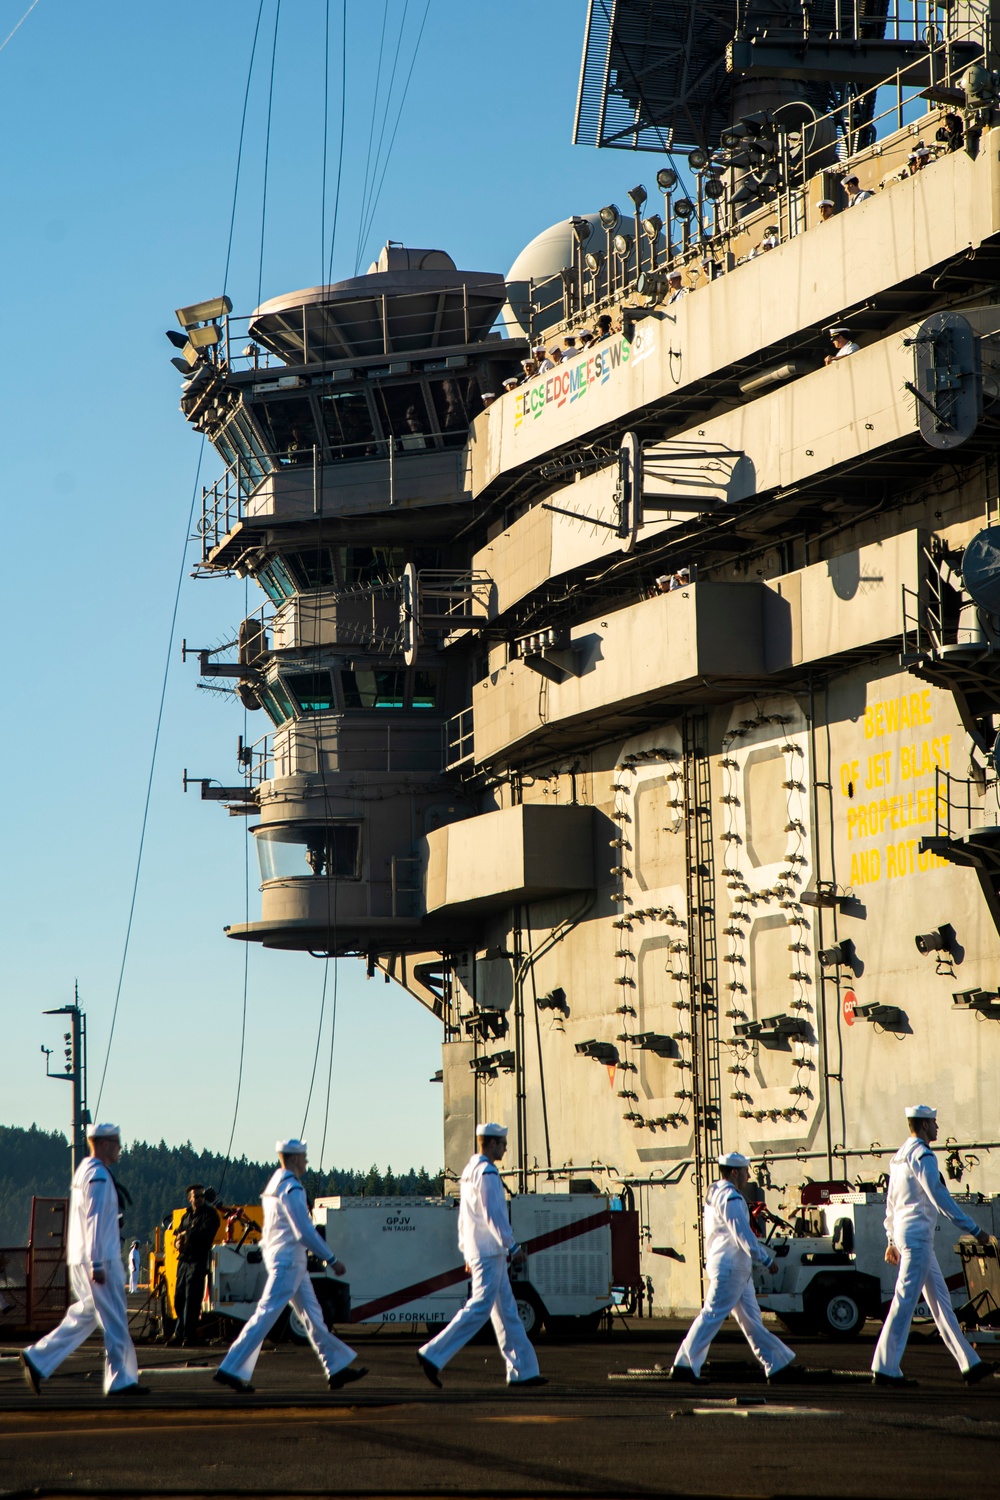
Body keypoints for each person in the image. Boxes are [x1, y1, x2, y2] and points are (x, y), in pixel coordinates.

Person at [214, 1138, 364, 1395]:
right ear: (294, 1159)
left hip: (285, 1259)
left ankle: (336, 1367)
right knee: (266, 1314)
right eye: (304, 1156)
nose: (306, 1161)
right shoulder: (292, 1189)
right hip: (288, 1261)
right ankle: (230, 1367)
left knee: (313, 1317)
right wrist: (331, 1259)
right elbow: (303, 1229)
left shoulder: (274, 1185)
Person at [871, 1105, 996, 1387]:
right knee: (904, 1302)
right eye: (935, 1123)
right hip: (917, 1240)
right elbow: (940, 1197)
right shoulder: (923, 1157)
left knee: (941, 1304)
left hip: (908, 1237)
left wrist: (891, 1239)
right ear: (925, 1125)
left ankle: (970, 1364)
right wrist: (974, 1230)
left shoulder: (899, 1158)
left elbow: (890, 1203)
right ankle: (885, 1367)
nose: (938, 1127)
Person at [20, 1123, 145, 1398]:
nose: (120, 1147)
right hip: (100, 1258)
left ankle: (38, 1358)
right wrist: (98, 1262)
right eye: (116, 1142)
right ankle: (121, 1380)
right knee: (114, 1319)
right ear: (103, 1144)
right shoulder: (98, 1175)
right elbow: (95, 1220)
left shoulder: (85, 1172)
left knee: (86, 1315)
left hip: (82, 1257)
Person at [416, 1123, 544, 1389]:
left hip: (483, 1251)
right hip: (490, 1252)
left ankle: (524, 1371)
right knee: (479, 1308)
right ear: (492, 1144)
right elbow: (493, 1214)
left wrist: (466, 1250)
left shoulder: (469, 1171)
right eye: (502, 1143)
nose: (506, 1147)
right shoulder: (486, 1172)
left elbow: (465, 1217)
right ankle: (432, 1354)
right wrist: (512, 1246)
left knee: (507, 1313)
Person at [668, 1151, 795, 1385]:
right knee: (712, 1314)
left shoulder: (715, 1191)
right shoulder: (732, 1198)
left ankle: (777, 1363)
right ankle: (684, 1364)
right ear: (735, 1172)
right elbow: (742, 1234)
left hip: (736, 1268)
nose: (748, 1175)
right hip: (731, 1267)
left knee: (752, 1320)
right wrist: (766, 1259)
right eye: (745, 1171)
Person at [170, 1185, 221, 1346]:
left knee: (192, 1300)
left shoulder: (210, 1214)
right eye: (196, 1196)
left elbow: (206, 1233)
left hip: (198, 1260)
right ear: (189, 1198)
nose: (199, 1198)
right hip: (184, 1260)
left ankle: (188, 1336)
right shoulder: (186, 1216)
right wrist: (178, 1241)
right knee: (179, 1299)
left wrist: (187, 1234)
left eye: (201, 1196)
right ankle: (179, 1333)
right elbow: (177, 1232)